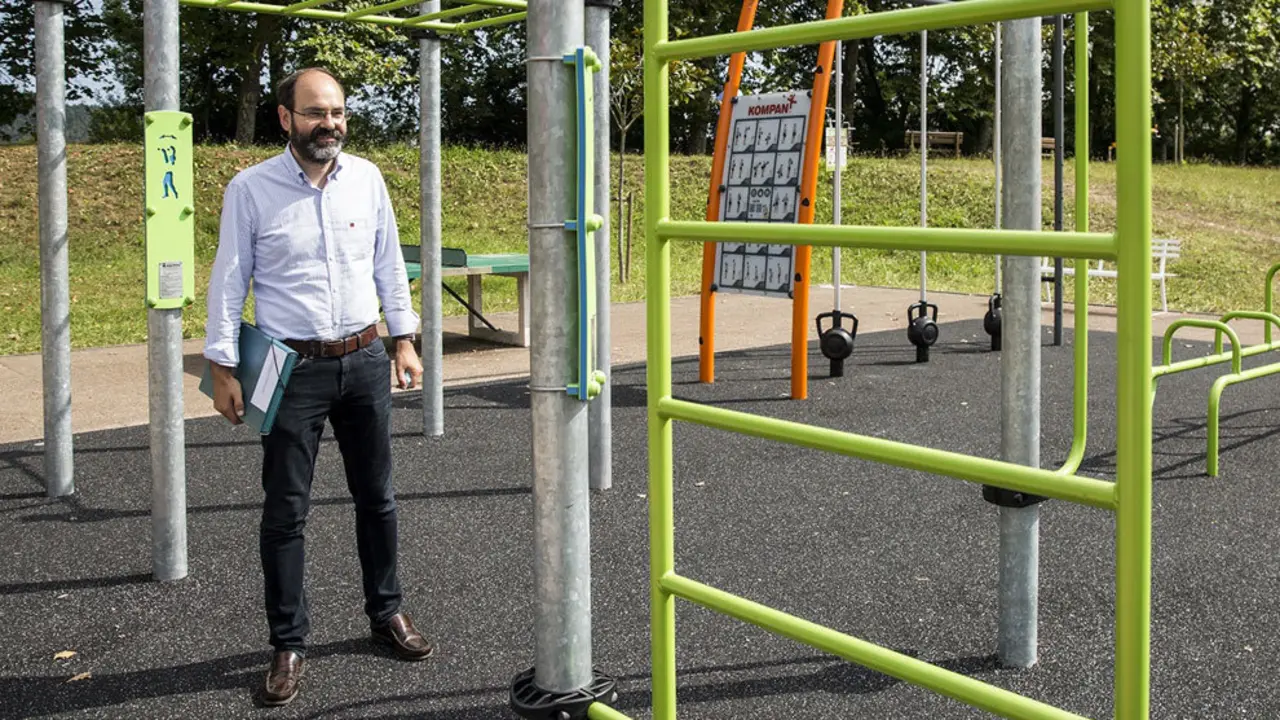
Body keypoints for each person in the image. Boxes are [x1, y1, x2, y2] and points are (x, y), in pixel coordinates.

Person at [203, 67, 431, 707]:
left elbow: (388, 261)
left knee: (377, 496)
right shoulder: (250, 189)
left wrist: (404, 339)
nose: (327, 123)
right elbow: (230, 278)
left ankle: (387, 612)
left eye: (336, 112)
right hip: (287, 369)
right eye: (313, 113)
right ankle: (288, 642)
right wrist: (223, 367)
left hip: (362, 359)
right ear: (285, 118)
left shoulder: (366, 179)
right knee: (285, 511)